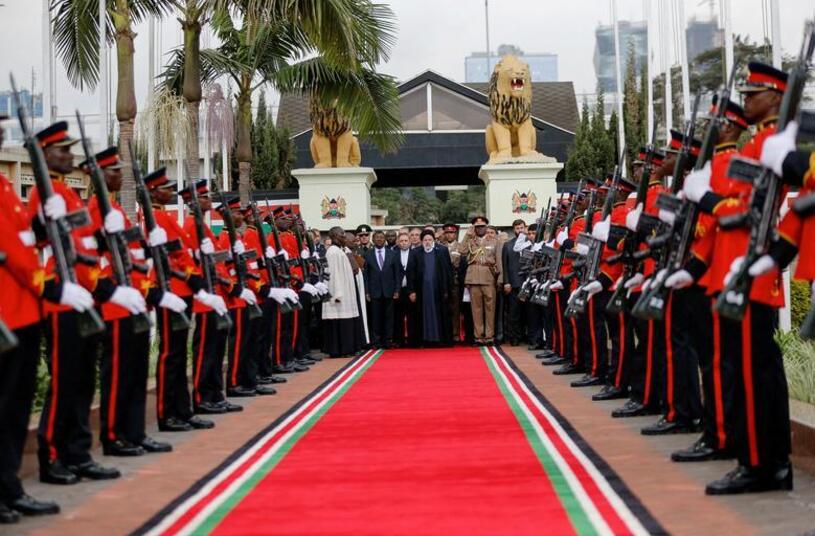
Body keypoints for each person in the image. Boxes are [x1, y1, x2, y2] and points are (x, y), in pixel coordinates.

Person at [30, 122, 125, 485]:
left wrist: (105, 235)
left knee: (83, 382)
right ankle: (52, 455)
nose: (70, 156)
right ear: (46, 155)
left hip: (84, 299)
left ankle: (78, 452)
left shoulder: (67, 196)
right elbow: (39, 245)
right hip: (61, 303)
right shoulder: (45, 193)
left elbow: (85, 249)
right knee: (65, 382)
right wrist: (42, 222)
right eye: (63, 150)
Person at [0, 114, 73, 522]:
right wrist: (47, 286)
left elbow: (28, 239)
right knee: (5, 405)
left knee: (16, 407)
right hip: (9, 310)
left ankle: (10, 487)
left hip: (25, 311)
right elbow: (11, 250)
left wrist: (45, 223)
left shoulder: (6, 186)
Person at [83, 148, 174, 457]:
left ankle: (134, 433)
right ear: (99, 176)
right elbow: (94, 254)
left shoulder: (118, 212)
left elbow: (132, 256)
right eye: (114, 170)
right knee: (118, 374)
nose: (120, 175)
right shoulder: (97, 208)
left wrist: (150, 252)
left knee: (135, 373)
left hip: (133, 302)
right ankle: (113, 435)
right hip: (113, 304)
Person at [458, 216, 501, 345]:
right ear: (473, 228)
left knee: (490, 309)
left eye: (482, 226)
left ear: (486, 227)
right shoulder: (470, 241)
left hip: (489, 277)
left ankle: (489, 336)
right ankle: (478, 336)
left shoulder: (494, 241)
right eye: (477, 227)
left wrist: (500, 279)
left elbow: (498, 261)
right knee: (476, 310)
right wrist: (467, 235)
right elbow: (461, 251)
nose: (480, 229)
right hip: (473, 278)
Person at [407, 229, 454, 345]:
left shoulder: (442, 250)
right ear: (421, 241)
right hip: (422, 290)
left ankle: (441, 340)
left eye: (430, 240)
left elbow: (448, 271)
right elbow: (410, 273)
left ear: (434, 240)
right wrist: (411, 290)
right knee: (422, 314)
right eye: (425, 240)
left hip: (439, 290)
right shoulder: (415, 252)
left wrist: (448, 289)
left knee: (441, 314)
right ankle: (425, 340)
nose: (427, 242)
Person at [322, 227, 362, 357]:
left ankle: (348, 348)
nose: (344, 236)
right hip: (339, 293)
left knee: (346, 321)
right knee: (339, 321)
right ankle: (340, 350)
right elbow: (333, 275)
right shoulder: (333, 252)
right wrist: (336, 294)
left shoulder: (341, 250)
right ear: (334, 236)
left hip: (346, 290)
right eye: (342, 234)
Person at [363, 231, 399, 348]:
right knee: (375, 318)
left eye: (381, 238)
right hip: (374, 292)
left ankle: (388, 340)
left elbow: (397, 274)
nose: (379, 239)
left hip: (389, 291)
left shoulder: (392, 254)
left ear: (385, 240)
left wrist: (397, 290)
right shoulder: (368, 254)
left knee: (389, 318)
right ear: (373, 239)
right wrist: (367, 291)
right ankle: (376, 341)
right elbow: (366, 276)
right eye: (377, 237)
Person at [502, 219, 528, 346]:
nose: (520, 230)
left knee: (529, 312)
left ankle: (528, 337)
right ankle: (515, 337)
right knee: (514, 312)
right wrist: (506, 282)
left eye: (522, 227)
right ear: (514, 230)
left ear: (525, 228)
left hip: (529, 283)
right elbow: (504, 265)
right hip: (514, 283)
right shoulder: (508, 245)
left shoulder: (531, 243)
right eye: (517, 228)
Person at [440, 223, 462, 342]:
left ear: (455, 234)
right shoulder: (439, 246)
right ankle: (444, 333)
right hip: (443, 282)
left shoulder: (460, 247)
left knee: (455, 308)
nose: (449, 235)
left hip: (455, 281)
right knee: (443, 308)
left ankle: (455, 334)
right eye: (447, 233)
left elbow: (459, 263)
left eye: (452, 233)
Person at [392, 232, 413, 347]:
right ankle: (399, 340)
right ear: (397, 242)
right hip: (398, 289)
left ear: (409, 242)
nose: (404, 243)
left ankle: (411, 340)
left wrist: (413, 291)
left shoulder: (415, 254)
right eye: (401, 241)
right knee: (398, 316)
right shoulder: (393, 254)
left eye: (406, 241)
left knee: (411, 315)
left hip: (411, 290)